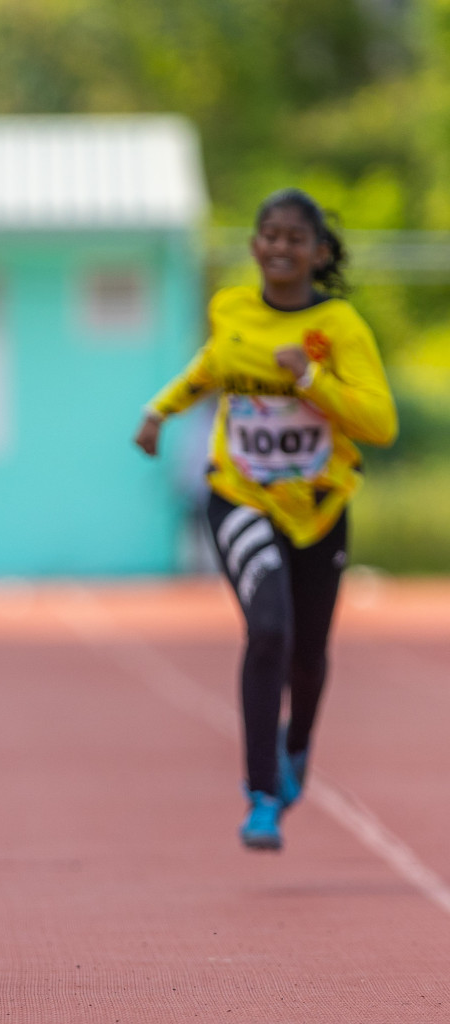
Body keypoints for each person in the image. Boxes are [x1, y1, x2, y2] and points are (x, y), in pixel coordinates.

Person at [134, 188, 396, 851]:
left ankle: (296, 748)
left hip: (318, 510)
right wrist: (160, 409)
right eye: (268, 235)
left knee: (308, 657)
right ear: (254, 246)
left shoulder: (339, 328)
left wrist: (311, 380)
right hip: (241, 495)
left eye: (294, 238)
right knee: (269, 628)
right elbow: (212, 367)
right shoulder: (232, 308)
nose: (279, 247)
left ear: (319, 252)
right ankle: (259, 795)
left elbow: (380, 424)